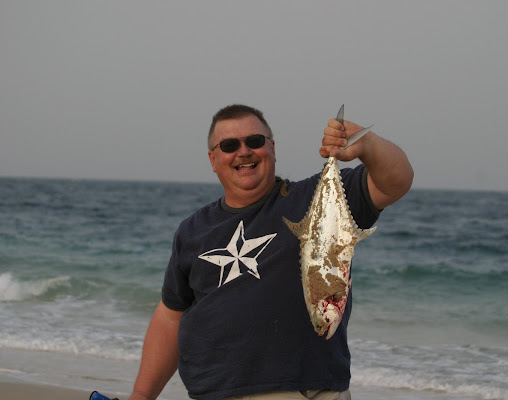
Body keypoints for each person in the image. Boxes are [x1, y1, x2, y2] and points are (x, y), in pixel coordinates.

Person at [129, 104, 413, 400]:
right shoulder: (193, 229)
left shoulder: (316, 198)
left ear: (272, 148)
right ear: (213, 160)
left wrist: (367, 145)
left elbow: (395, 182)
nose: (244, 152)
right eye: (229, 145)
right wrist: (141, 395)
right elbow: (170, 316)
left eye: (254, 141)